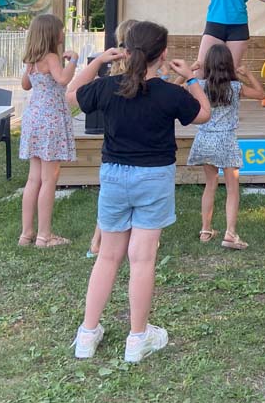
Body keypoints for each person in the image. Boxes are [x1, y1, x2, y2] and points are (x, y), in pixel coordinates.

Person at [68, 21, 211, 362]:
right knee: (142, 259)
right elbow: (204, 114)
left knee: (107, 256)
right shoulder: (171, 93)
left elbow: (71, 94)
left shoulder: (108, 87)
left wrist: (97, 61)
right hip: (154, 178)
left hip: (114, 177)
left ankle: (87, 334)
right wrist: (191, 79)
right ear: (163, 54)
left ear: (126, 51)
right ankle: (137, 338)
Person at [187, 44, 265, 249]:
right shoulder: (236, 87)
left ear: (208, 65)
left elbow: (174, 88)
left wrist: (187, 72)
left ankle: (206, 230)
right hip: (226, 140)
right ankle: (230, 233)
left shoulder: (199, 85)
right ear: (229, 64)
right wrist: (248, 74)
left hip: (205, 138)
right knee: (232, 188)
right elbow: (261, 94)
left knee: (210, 184)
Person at [18, 14, 78, 249]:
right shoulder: (52, 57)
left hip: (33, 119)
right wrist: (73, 60)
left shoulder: (32, 60)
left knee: (33, 178)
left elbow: (25, 85)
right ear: (52, 33)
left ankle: (26, 234)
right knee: (49, 179)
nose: (63, 33)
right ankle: (44, 236)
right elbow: (62, 80)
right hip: (50, 120)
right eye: (61, 29)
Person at [87, 18, 139, 259]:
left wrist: (98, 61)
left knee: (109, 200)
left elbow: (75, 90)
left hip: (114, 151)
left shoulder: (110, 77)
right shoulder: (143, 76)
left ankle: (97, 241)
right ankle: (137, 241)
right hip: (138, 149)